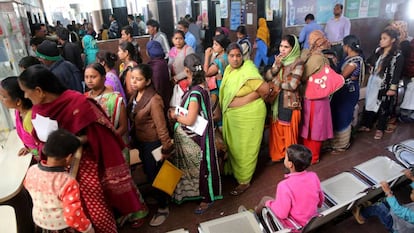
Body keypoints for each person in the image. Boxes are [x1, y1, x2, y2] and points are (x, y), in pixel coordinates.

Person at [18, 65, 148, 231]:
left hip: (84, 164)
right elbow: (39, 138)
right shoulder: (37, 109)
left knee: (96, 209)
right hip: (56, 168)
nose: (24, 96)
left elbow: (101, 134)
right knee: (68, 210)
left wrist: (69, 142)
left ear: (39, 91)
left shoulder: (78, 102)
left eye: (26, 91)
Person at [169, 53, 222, 213]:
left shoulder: (194, 93)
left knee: (202, 169)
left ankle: (206, 198)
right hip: (196, 137)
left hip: (196, 140)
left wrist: (174, 115)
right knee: (199, 169)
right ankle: (198, 194)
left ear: (187, 70)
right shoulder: (202, 88)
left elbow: (191, 119)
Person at [219, 42, 272, 195]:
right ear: (227, 56)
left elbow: (265, 90)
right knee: (235, 147)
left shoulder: (248, 70)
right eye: (232, 56)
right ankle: (236, 172)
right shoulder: (228, 70)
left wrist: (245, 100)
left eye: (238, 55)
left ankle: (244, 180)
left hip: (249, 116)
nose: (235, 59)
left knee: (245, 148)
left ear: (242, 56)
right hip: (233, 117)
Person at [128, 64, 174, 226]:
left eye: (138, 79)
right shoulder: (135, 95)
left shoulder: (154, 99)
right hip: (142, 142)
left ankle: (164, 206)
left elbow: (161, 126)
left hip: (154, 143)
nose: (134, 82)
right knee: (150, 172)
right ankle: (160, 196)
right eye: (132, 78)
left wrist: (166, 147)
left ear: (147, 81)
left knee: (157, 175)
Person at [23, 129, 95, 233]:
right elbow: (73, 215)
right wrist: (88, 229)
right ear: (69, 158)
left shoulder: (32, 170)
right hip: (61, 228)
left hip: (40, 224)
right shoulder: (67, 181)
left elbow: (27, 186)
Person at [255, 144, 324, 229]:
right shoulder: (313, 176)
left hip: (296, 225)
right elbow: (321, 200)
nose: (284, 158)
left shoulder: (284, 185)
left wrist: (269, 204)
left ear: (290, 164)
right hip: (311, 220)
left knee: (265, 199)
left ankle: (255, 217)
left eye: (285, 157)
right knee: (278, 199)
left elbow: (282, 214)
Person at [358, 29, 404, 140]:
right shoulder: (379, 51)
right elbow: (370, 61)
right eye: (381, 38)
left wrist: (392, 88)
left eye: (384, 39)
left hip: (385, 84)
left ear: (392, 40)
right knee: (370, 102)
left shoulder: (397, 56)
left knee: (384, 106)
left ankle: (380, 128)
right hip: (374, 81)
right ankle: (367, 125)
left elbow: (397, 73)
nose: (381, 41)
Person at [265, 35, 303, 162]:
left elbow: (293, 85)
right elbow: (268, 76)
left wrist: (278, 83)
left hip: (290, 103)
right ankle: (278, 156)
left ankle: (290, 160)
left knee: (289, 133)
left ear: (293, 48)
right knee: (276, 130)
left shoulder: (298, 62)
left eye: (286, 47)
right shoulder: (280, 60)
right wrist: (276, 66)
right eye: (281, 46)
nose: (282, 49)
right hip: (277, 101)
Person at [300, 30, 334, 164]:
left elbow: (303, 75)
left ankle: (310, 155)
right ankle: (312, 155)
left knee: (311, 127)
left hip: (312, 97)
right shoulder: (318, 57)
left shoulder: (313, 56)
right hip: (316, 98)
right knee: (314, 127)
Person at [84, 63, 129, 161]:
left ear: (103, 77)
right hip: (93, 147)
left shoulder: (115, 99)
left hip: (113, 144)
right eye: (86, 77)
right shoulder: (84, 98)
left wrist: (107, 140)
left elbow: (123, 127)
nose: (89, 80)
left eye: (93, 77)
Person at [329, 35, 365, 152]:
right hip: (342, 91)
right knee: (337, 113)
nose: (343, 47)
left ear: (347, 46)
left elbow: (342, 76)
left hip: (348, 91)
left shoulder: (354, 61)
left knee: (343, 115)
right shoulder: (348, 57)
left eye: (344, 45)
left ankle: (342, 144)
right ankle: (334, 142)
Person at [0, 76, 38, 159]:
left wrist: (33, 152)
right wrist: (29, 148)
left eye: (4, 97)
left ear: (18, 101)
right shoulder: (18, 111)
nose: (1, 99)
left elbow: (41, 148)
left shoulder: (30, 119)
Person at [168, 30, 195, 106]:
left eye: (180, 38)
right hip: (175, 83)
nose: (178, 41)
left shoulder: (188, 50)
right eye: (176, 38)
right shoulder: (172, 51)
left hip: (186, 81)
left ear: (184, 39)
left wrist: (177, 77)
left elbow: (191, 67)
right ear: (172, 39)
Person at [146, 40, 173, 113]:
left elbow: (157, 86)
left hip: (159, 100)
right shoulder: (162, 62)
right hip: (166, 96)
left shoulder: (156, 66)